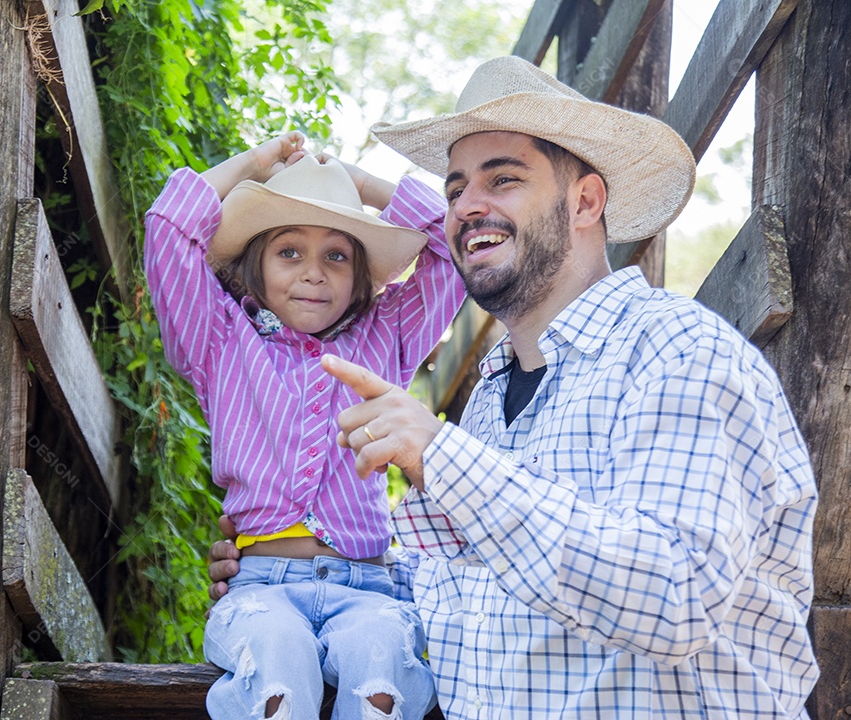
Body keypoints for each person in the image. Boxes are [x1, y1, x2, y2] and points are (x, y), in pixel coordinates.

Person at [209, 56, 819, 719]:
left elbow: (677, 595)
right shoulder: (487, 413)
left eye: (503, 179)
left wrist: (441, 458)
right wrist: (284, 574)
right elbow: (467, 606)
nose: (469, 206)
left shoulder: (678, 351)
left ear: (584, 201)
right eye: (454, 189)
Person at [145, 131, 466, 720]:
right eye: (289, 251)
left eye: (336, 255)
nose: (313, 273)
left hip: (369, 588)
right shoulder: (219, 339)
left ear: (361, 275)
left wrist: (354, 180)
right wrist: (257, 165)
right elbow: (168, 227)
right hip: (261, 587)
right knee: (278, 669)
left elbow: (451, 244)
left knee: (379, 671)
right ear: (254, 268)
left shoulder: (388, 336)